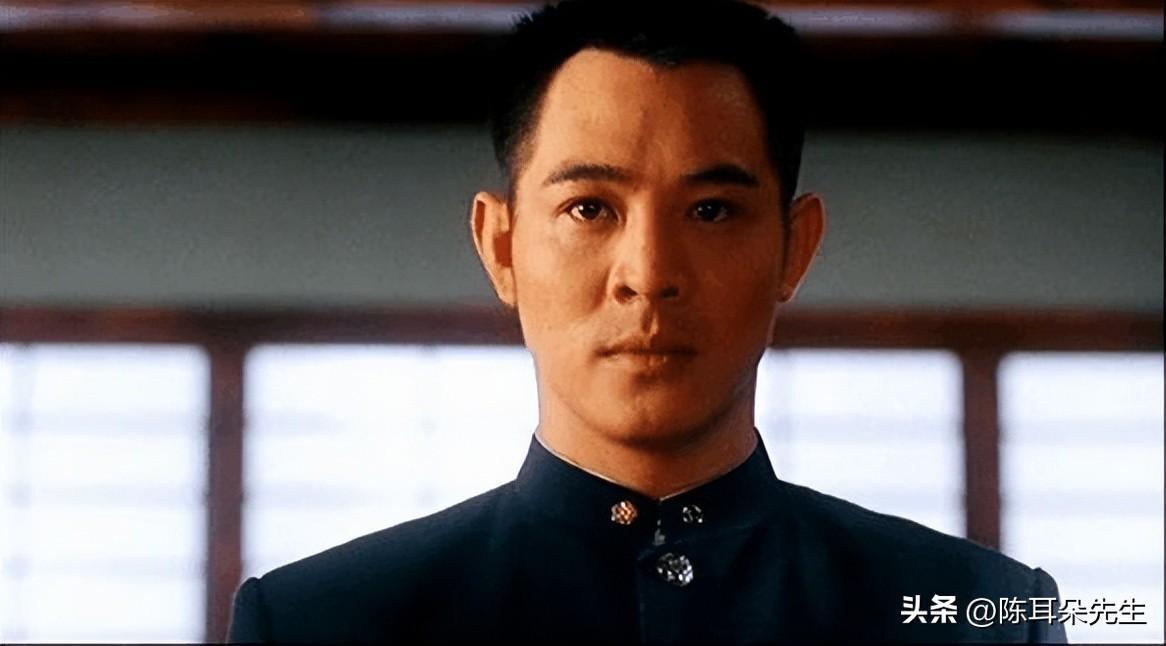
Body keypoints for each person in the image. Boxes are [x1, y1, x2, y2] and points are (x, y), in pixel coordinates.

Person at [228, 0, 1067, 642]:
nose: (649, 274)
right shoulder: (317, 620)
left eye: (711, 211)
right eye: (590, 208)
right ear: (502, 246)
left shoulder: (987, 614)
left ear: (794, 248)